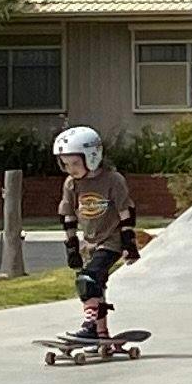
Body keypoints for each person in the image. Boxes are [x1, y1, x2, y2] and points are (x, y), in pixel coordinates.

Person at [53, 124, 149, 350]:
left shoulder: (113, 180)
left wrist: (129, 244)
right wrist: (72, 248)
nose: (71, 169)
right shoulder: (71, 184)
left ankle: (89, 326)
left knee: (88, 280)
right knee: (97, 288)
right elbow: (67, 216)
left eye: (75, 163)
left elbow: (126, 212)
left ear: (92, 157)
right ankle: (102, 333)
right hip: (89, 243)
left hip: (111, 240)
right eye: (65, 164)